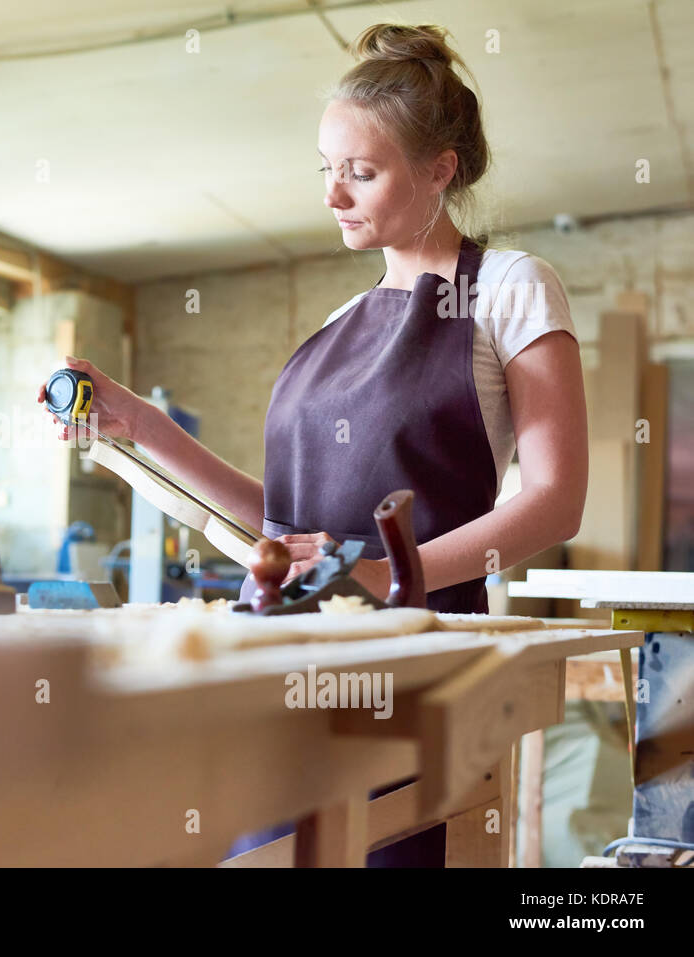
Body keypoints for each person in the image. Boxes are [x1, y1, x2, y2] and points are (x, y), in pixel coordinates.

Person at [36, 22, 588, 865]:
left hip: (413, 666)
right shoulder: (338, 323)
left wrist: (387, 574)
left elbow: (555, 497)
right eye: (327, 170)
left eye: (361, 173)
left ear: (440, 170)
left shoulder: (509, 287)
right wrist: (136, 422)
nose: (333, 195)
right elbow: (283, 520)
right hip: (283, 659)